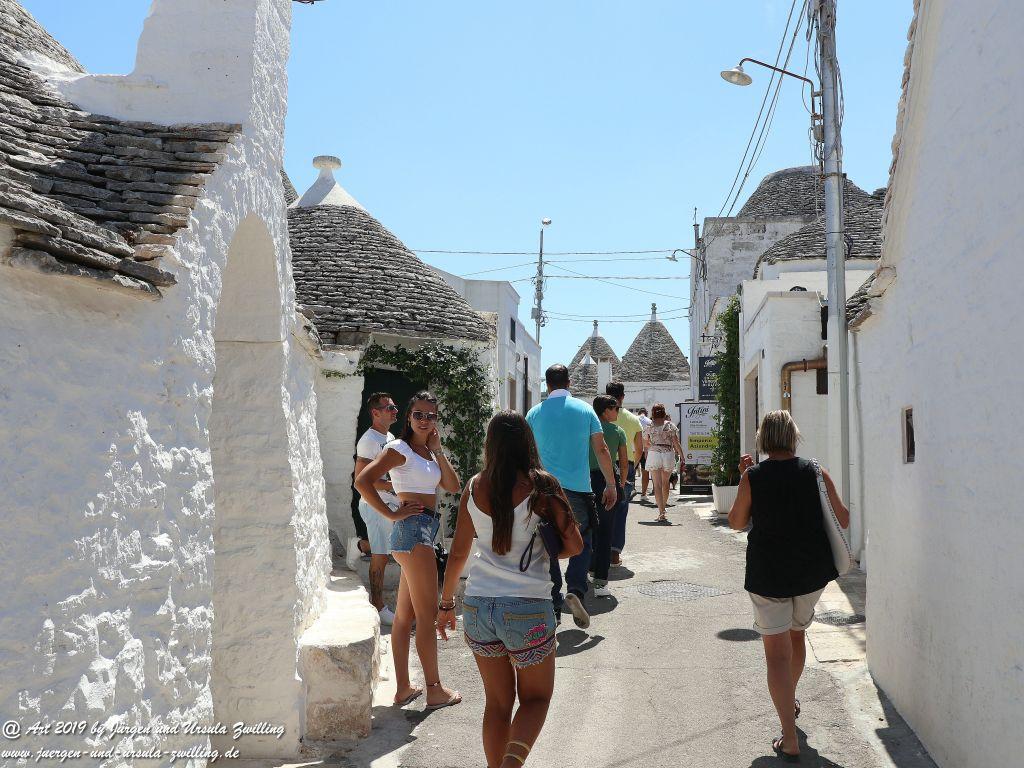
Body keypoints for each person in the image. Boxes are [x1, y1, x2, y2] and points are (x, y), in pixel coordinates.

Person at [438, 411, 583, 768]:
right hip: (527, 606)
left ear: (491, 444)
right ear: (527, 442)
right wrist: (546, 548)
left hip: (478, 606)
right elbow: (575, 545)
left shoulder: (473, 486)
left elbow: (458, 551)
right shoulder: (542, 486)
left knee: (498, 705)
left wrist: (445, 604)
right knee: (535, 700)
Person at [727, 410, 850, 763]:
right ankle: (790, 699)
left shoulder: (754, 476)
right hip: (810, 574)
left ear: (763, 439)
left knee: (776, 654)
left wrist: (744, 482)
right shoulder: (815, 471)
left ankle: (790, 735)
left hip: (769, 575)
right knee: (796, 637)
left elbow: (736, 521)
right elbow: (842, 518)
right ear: (793, 436)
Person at [355, 391, 463, 710]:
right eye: (419, 414)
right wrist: (390, 514)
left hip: (423, 532)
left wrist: (438, 449)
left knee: (404, 618)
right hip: (413, 533)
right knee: (427, 618)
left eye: (431, 416)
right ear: (409, 417)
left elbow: (453, 486)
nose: (425, 420)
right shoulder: (398, 448)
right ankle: (434, 690)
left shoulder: (427, 452)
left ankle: (403, 689)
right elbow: (363, 480)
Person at [526, 364, 616, 628]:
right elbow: (600, 449)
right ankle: (575, 589)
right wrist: (611, 484)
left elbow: (526, 453)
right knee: (582, 540)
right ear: (569, 382)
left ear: (547, 383)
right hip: (577, 490)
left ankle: (554, 606)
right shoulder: (585, 410)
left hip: (542, 490)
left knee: (548, 545)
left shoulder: (534, 413)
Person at [354, 392, 401, 625]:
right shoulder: (368, 440)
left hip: (389, 502)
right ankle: (379, 605)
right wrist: (392, 486)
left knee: (392, 547)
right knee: (381, 556)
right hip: (375, 504)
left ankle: (361, 545)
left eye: (394, 407)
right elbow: (360, 479)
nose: (395, 411)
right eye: (389, 407)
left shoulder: (390, 436)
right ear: (375, 413)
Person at [589, 395, 627, 597]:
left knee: (588, 530)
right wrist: (619, 485)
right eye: (616, 408)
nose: (618, 412)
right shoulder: (617, 432)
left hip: (585, 481)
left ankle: (589, 568)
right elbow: (623, 462)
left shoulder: (586, 428)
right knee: (605, 532)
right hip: (607, 480)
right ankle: (601, 583)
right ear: (606, 410)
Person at [605, 383, 644, 566]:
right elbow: (640, 449)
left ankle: (599, 551)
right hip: (625, 465)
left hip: (602, 465)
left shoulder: (601, 417)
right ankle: (614, 554)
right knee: (621, 510)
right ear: (623, 397)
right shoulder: (632, 419)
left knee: (602, 506)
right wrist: (631, 467)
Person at [645, 403, 683, 522]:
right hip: (668, 453)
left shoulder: (649, 426)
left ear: (652, 413)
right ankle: (664, 508)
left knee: (657, 485)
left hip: (654, 453)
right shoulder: (670, 425)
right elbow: (676, 442)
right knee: (665, 483)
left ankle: (661, 511)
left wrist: (652, 446)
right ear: (664, 412)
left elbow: (645, 443)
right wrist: (682, 456)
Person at [636, 407, 652, 499]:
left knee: (631, 470)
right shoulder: (649, 421)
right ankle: (643, 494)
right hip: (646, 450)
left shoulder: (634, 419)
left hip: (634, 448)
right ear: (646, 413)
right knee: (645, 472)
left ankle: (630, 491)